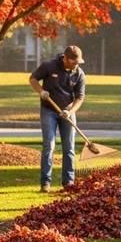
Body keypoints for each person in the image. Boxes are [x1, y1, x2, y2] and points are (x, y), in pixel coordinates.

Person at [28, 45, 86, 192]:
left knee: (69, 148)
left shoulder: (79, 73)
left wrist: (70, 111)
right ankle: (45, 183)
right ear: (66, 58)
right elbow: (33, 79)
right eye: (74, 61)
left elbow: (80, 97)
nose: (76, 64)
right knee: (49, 146)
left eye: (78, 62)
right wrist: (41, 91)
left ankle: (68, 182)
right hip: (49, 111)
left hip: (68, 112)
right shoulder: (49, 66)